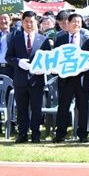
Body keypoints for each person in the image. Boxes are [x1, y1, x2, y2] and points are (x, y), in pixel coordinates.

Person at [6, 11, 51, 143]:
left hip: (36, 80)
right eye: (26, 21)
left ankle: (36, 134)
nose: (29, 24)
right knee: (21, 108)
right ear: (22, 22)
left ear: (36, 22)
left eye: (31, 21)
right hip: (20, 80)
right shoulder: (15, 38)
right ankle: (22, 134)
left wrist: (43, 69)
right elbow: (9, 57)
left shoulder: (43, 39)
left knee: (37, 109)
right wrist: (18, 62)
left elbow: (48, 59)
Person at [52, 13, 89, 143]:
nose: (77, 24)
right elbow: (55, 58)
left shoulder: (87, 39)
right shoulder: (60, 39)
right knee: (63, 106)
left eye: (79, 22)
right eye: (74, 22)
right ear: (67, 23)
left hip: (82, 78)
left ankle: (83, 134)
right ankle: (60, 134)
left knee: (83, 107)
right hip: (66, 78)